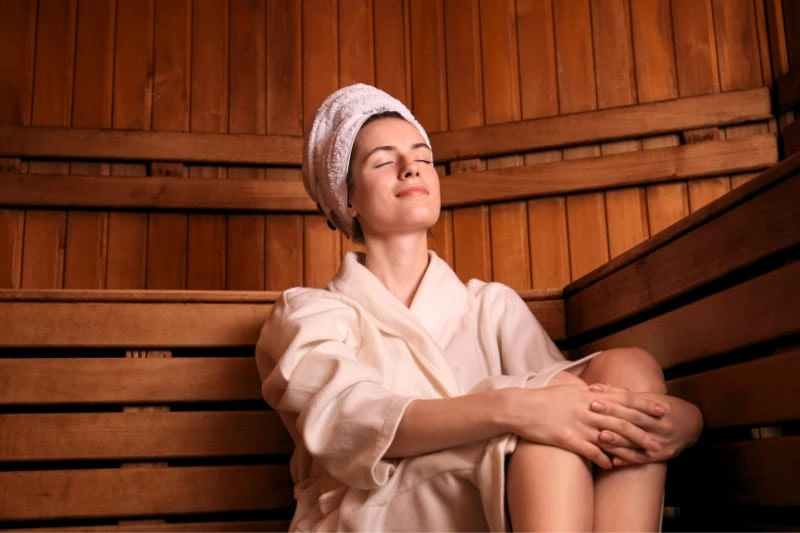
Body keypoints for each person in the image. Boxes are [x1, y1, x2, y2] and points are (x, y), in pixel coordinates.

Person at [255, 83, 703, 532]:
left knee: (628, 369)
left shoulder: (491, 305)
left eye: (423, 158)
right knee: (544, 442)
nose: (412, 169)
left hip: (510, 499)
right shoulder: (311, 313)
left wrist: (686, 422)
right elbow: (347, 421)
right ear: (347, 199)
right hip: (376, 509)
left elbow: (574, 407)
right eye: (385, 161)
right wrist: (514, 409)